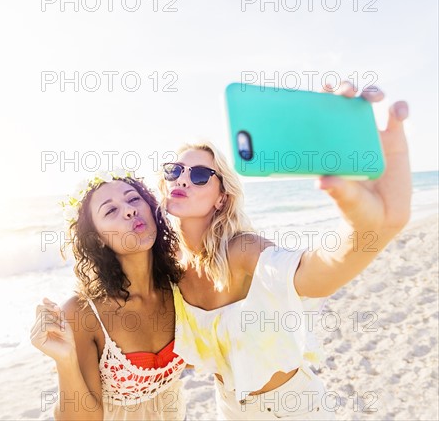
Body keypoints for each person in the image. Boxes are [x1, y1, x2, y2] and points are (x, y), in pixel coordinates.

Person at [158, 82, 411, 419]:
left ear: (222, 197)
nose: (182, 180)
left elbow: (312, 276)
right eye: (174, 171)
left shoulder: (242, 248)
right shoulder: (169, 263)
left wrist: (369, 232)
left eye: (201, 174)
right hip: (230, 408)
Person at [30, 170, 187, 420]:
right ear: (97, 238)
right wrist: (65, 359)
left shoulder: (182, 286)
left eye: (134, 199)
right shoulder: (83, 313)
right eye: (110, 211)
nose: (129, 210)